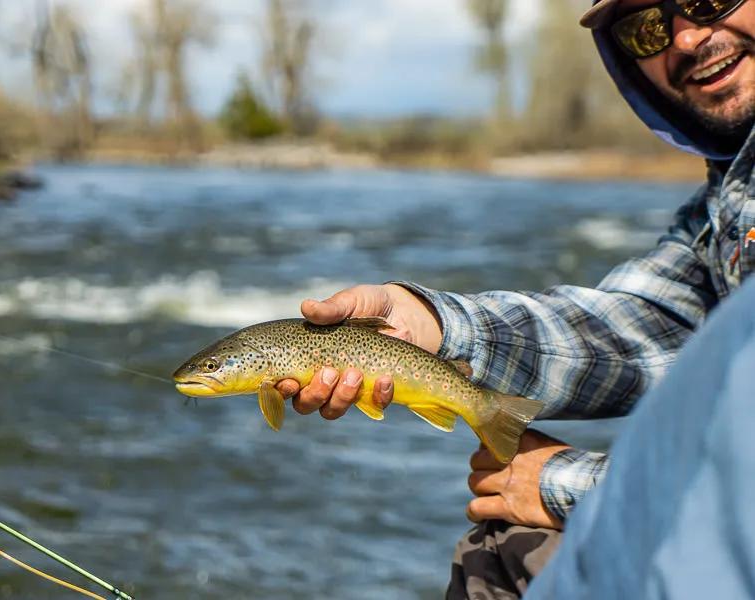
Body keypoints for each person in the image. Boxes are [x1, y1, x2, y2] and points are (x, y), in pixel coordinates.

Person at [274, 0, 755, 596]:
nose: (683, 39)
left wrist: (569, 485)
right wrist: (436, 326)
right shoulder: (730, 200)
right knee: (502, 540)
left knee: (511, 539)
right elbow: (646, 329)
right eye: (646, 27)